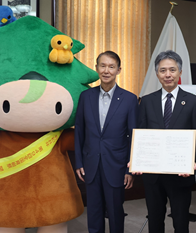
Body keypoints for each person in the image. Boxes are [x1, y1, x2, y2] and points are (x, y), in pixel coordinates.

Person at [136, 50, 196, 233]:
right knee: (155, 220)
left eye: (172, 70)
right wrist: (138, 158)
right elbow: (141, 134)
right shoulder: (146, 102)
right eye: (163, 70)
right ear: (157, 74)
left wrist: (191, 162)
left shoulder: (193, 102)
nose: (168, 74)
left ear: (180, 72)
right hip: (153, 175)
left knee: (181, 222)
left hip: (180, 174)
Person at [74, 51, 138, 233]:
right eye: (102, 66)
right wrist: (78, 162)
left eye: (111, 66)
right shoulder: (86, 97)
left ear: (119, 70)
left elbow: (133, 136)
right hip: (91, 164)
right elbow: (79, 131)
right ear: (96, 68)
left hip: (116, 166)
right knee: (93, 212)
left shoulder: (130, 100)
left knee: (116, 212)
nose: (106, 70)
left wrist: (129, 169)